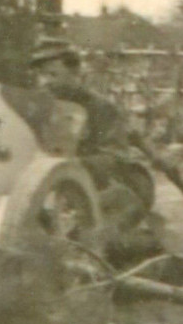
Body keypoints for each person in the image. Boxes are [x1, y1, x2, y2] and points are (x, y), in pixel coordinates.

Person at [30, 39, 154, 246]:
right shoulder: (39, 106)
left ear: (75, 72)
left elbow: (114, 157)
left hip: (99, 188)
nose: (45, 82)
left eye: (53, 74)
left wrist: (72, 166)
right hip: (52, 187)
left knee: (93, 241)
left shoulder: (100, 108)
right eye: (40, 75)